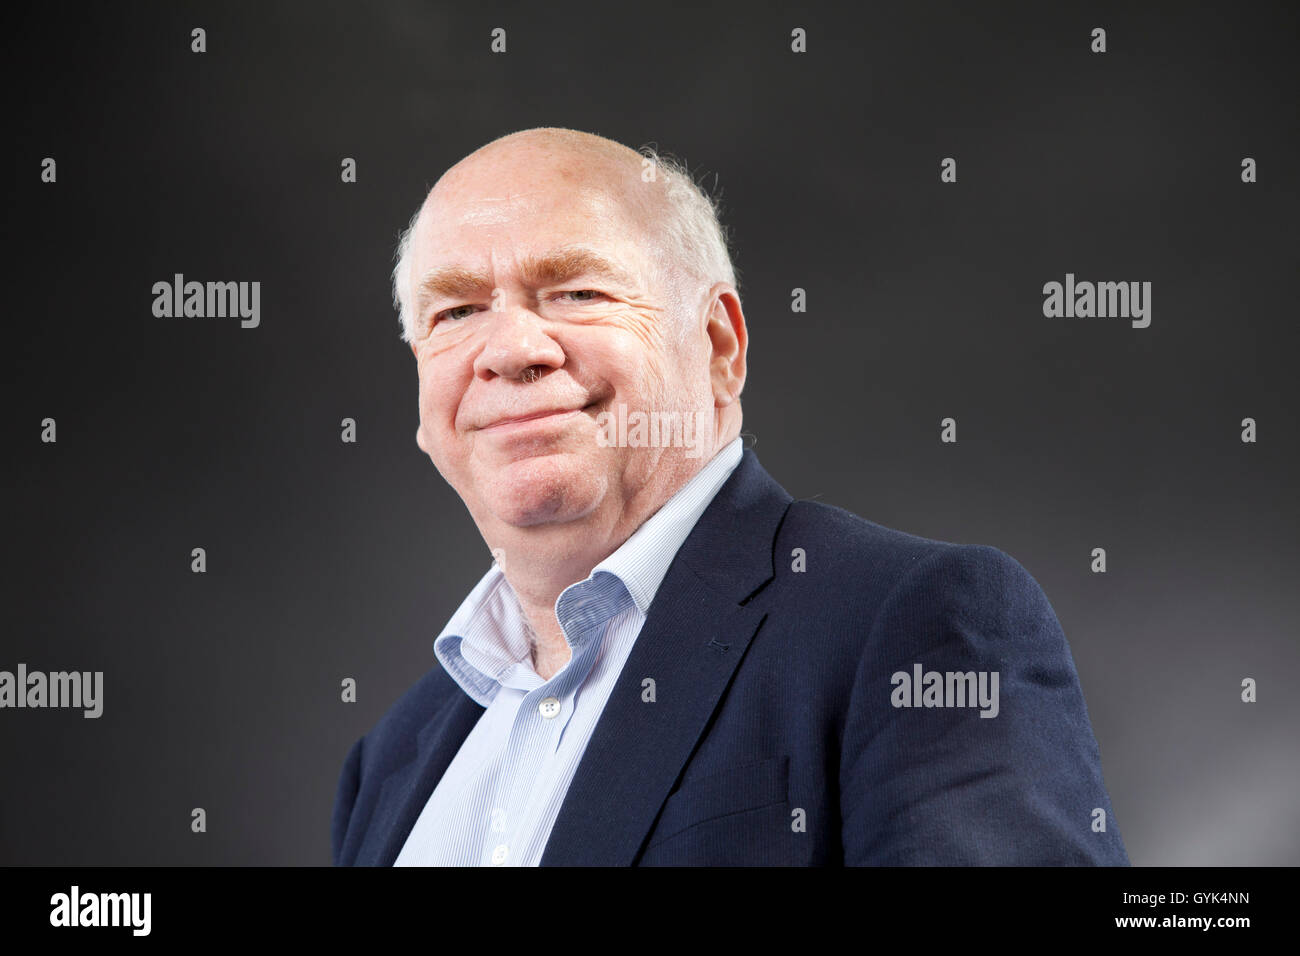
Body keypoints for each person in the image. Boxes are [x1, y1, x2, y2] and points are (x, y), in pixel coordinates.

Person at [331, 126, 1129, 866]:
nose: (509, 349)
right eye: (458, 310)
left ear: (717, 348)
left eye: (576, 291)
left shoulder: (912, 626)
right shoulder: (389, 763)